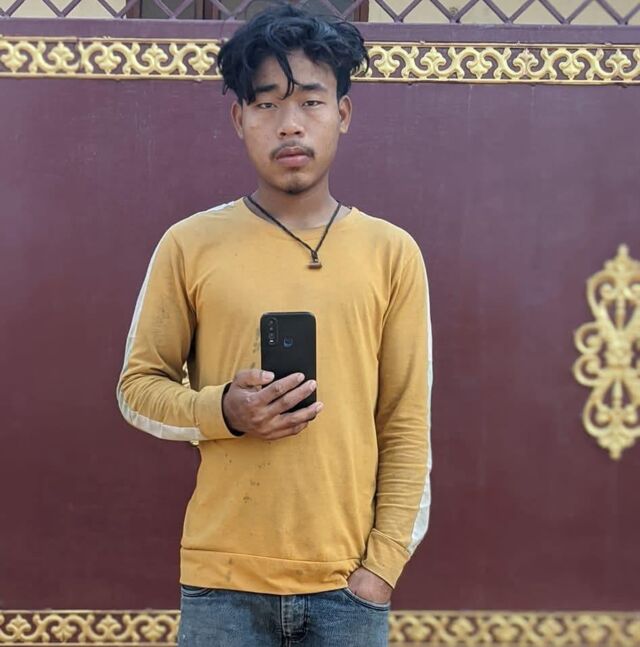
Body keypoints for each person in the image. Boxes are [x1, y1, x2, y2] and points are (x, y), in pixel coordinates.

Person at [116, 4, 432, 646]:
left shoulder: (391, 253)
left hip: (348, 589)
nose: (290, 124)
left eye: (311, 101)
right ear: (239, 119)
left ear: (343, 112)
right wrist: (224, 411)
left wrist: (380, 569)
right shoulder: (189, 245)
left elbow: (405, 422)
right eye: (266, 104)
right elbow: (137, 389)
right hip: (223, 586)